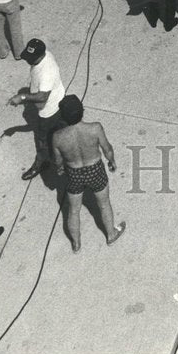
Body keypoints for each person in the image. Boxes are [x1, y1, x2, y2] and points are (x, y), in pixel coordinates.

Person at [51, 95, 125, 252]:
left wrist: (60, 169)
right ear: (82, 111)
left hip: (74, 173)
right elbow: (107, 149)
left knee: (73, 210)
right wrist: (112, 161)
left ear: (63, 116)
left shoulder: (57, 137)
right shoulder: (95, 128)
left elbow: (58, 161)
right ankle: (111, 235)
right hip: (95, 169)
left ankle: (76, 243)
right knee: (104, 204)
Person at [8, 38, 65, 180]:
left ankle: (41, 163)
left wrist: (22, 97)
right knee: (57, 136)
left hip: (49, 110)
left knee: (42, 140)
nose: (28, 60)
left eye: (32, 58)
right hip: (55, 103)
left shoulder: (47, 72)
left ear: (41, 55)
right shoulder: (45, 54)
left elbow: (42, 97)